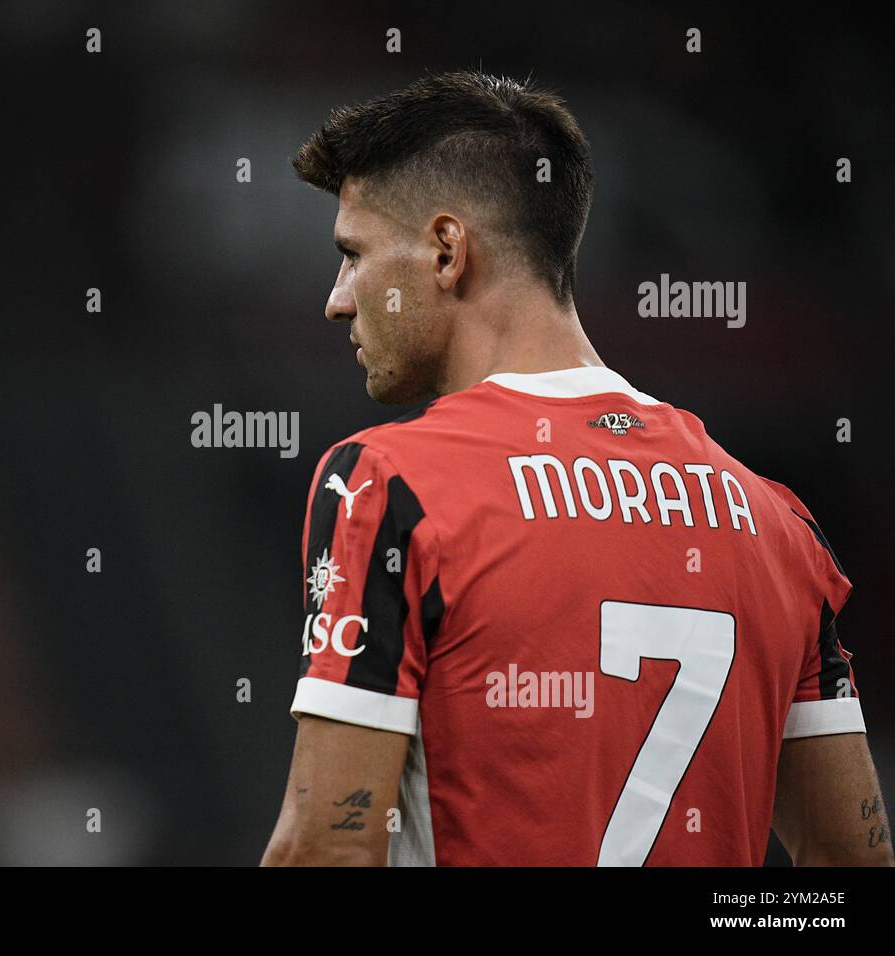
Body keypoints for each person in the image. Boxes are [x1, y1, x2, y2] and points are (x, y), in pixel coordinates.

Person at [261, 70, 890, 866]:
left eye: (353, 254)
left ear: (448, 251)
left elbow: (327, 848)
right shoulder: (775, 522)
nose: (337, 299)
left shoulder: (388, 483)